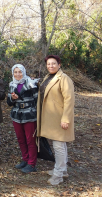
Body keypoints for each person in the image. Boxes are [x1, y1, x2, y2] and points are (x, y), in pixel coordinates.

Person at [37, 55, 75, 186]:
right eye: (48, 64)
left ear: (59, 65)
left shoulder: (64, 79)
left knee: (58, 146)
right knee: (60, 145)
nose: (50, 66)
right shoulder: (48, 77)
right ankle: (63, 170)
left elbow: (69, 100)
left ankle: (58, 175)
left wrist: (66, 119)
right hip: (50, 117)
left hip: (60, 118)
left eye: (53, 63)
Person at [7, 64, 38, 173]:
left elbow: (37, 100)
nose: (18, 74)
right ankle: (25, 159)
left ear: (24, 72)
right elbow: (8, 102)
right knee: (21, 139)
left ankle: (32, 163)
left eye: (20, 72)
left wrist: (36, 113)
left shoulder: (31, 83)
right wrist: (12, 98)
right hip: (17, 115)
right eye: (15, 72)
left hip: (29, 115)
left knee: (30, 140)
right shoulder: (12, 84)